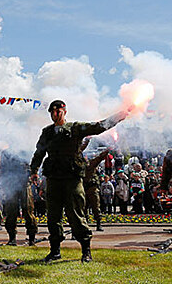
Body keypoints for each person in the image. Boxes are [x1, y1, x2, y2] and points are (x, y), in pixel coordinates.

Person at [30, 99, 131, 263]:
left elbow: (99, 126)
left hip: (72, 179)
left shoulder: (75, 128)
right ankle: (55, 251)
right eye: (52, 112)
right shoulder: (47, 132)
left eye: (58, 111)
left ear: (64, 111)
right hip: (54, 178)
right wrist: (34, 170)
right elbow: (39, 153)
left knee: (76, 214)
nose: (55, 115)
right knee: (53, 217)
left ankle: (86, 250)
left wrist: (119, 116)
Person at [0, 150, 38, 246]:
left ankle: (31, 238)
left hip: (25, 182)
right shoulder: (5, 153)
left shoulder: (25, 149)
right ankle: (12, 238)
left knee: (28, 211)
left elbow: (33, 162)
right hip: (11, 184)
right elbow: (3, 169)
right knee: (11, 212)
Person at [84, 149, 109, 231]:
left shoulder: (91, 164)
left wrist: (106, 151)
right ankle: (85, 225)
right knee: (84, 208)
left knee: (96, 207)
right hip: (83, 188)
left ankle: (99, 224)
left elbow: (99, 158)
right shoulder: (79, 166)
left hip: (92, 188)